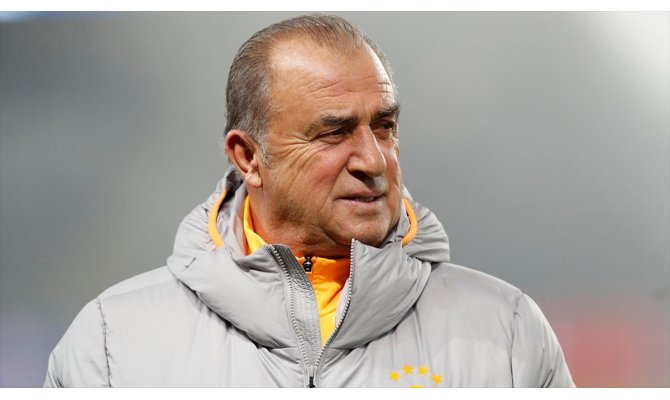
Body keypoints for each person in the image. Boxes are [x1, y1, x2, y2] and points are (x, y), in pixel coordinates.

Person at [44, 14, 574, 388]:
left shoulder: (507, 332)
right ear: (248, 157)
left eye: (384, 126)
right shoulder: (111, 344)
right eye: (333, 132)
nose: (373, 160)